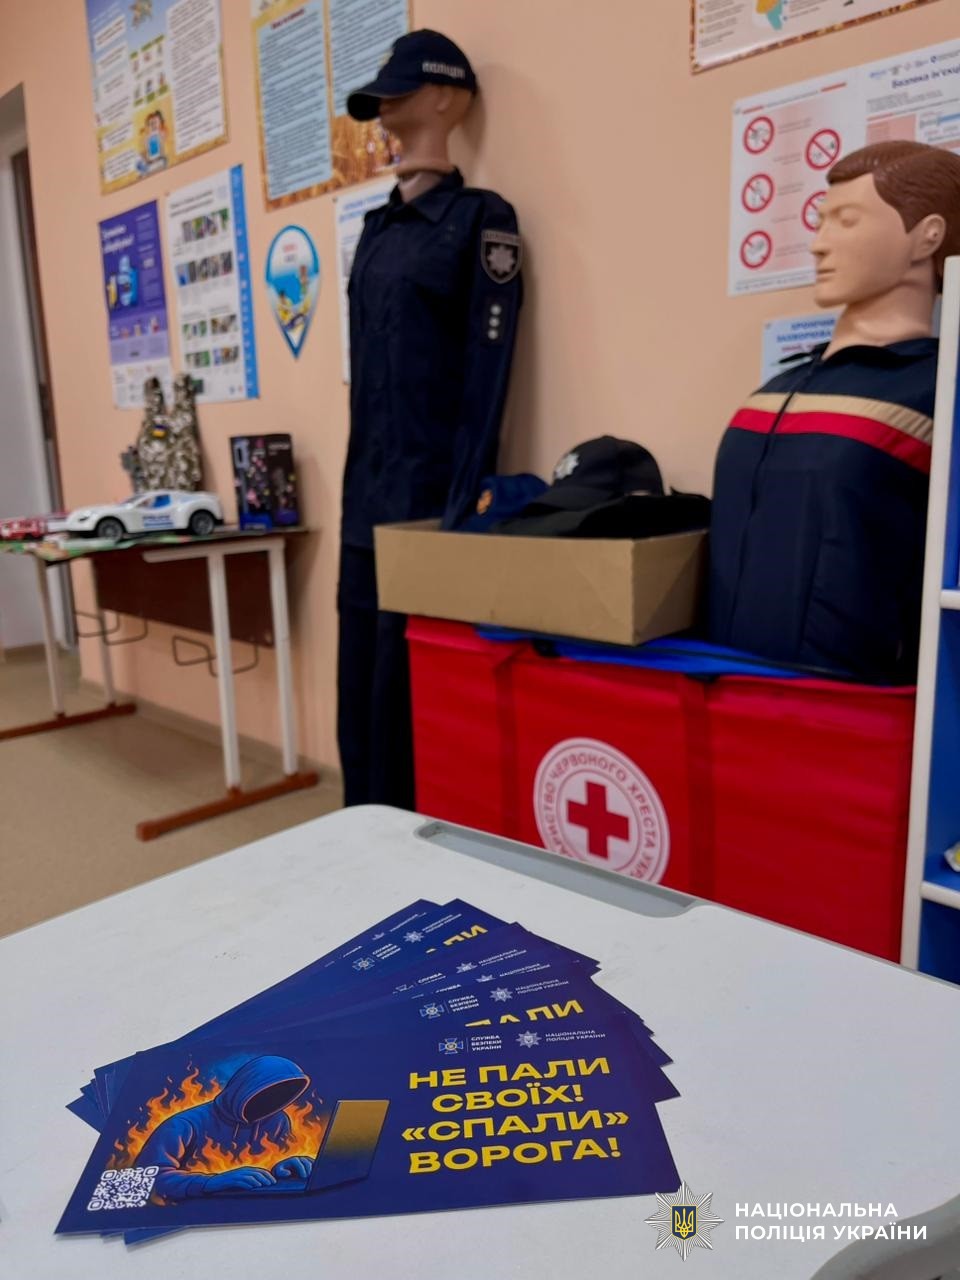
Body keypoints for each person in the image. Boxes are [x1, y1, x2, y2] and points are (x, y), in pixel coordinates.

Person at [337, 30, 522, 807]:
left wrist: (460, 505)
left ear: (447, 97)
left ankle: (409, 840)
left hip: (428, 497)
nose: (386, 109)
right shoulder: (376, 231)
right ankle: (354, 828)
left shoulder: (480, 221)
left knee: (409, 691)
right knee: (358, 681)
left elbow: (488, 378)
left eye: (403, 91)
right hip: (364, 494)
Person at [709, 141, 960, 682]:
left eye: (846, 221)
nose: (819, 244)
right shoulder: (778, 388)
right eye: (821, 222)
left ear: (927, 237)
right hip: (726, 690)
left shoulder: (937, 392)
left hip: (849, 707)